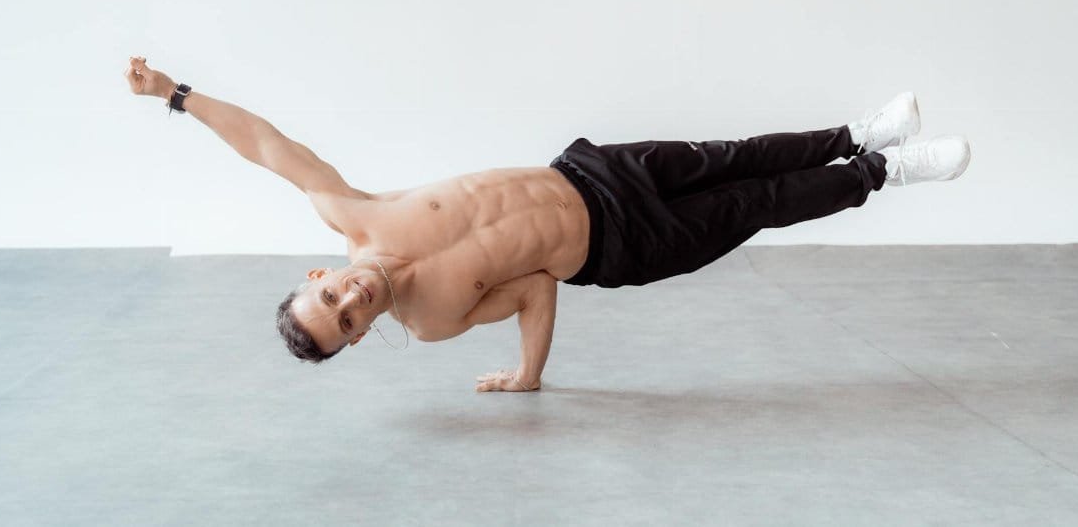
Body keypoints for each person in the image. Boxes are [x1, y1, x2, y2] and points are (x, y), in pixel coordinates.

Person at [124, 56, 971, 393]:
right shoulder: (434, 320)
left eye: (332, 295)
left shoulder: (354, 214)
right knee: (754, 205)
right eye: (348, 323)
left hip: (593, 173)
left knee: (735, 154)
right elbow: (533, 288)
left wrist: (177, 94)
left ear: (319, 274)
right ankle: (886, 171)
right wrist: (530, 373)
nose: (352, 299)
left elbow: (268, 146)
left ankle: (861, 134)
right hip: (617, 246)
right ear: (355, 337)